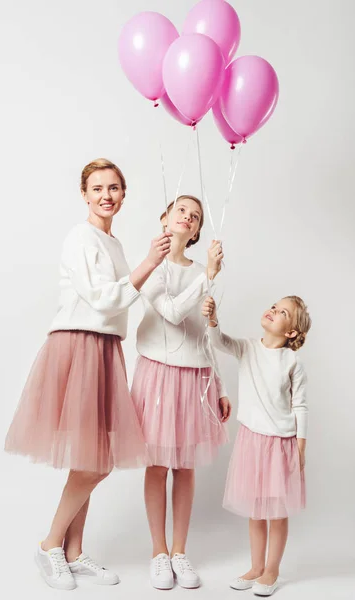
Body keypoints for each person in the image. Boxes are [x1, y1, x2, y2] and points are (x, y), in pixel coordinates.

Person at [5, 158, 172, 590]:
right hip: (79, 345)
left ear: (123, 193)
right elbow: (102, 299)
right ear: (84, 194)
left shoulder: (112, 243)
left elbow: (122, 300)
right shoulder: (81, 237)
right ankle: (49, 544)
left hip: (103, 348)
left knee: (92, 457)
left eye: (114, 188)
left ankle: (73, 553)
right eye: (97, 188)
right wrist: (149, 263)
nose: (106, 196)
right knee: (93, 461)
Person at [132, 195, 231, 590]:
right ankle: (158, 552)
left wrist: (219, 384)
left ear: (197, 230)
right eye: (181, 211)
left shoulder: (199, 272)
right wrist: (208, 275)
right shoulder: (151, 266)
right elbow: (171, 313)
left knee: (185, 466)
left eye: (195, 216)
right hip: (157, 374)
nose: (188, 217)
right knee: (156, 465)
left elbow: (205, 334)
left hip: (195, 377)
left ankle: (179, 551)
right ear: (165, 218)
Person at [202, 294, 311, 597]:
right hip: (251, 440)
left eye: (283, 312)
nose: (273, 311)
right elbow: (218, 341)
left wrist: (300, 448)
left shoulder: (293, 362)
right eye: (274, 307)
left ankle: (272, 569)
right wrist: (212, 319)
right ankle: (256, 566)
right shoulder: (248, 348)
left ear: (290, 332)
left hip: (280, 444)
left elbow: (300, 406)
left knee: (276, 511)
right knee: (255, 509)